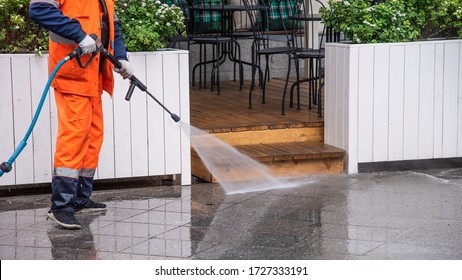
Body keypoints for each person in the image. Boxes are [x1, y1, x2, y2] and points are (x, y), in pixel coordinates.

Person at [29, 0, 133, 229]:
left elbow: (111, 25)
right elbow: (38, 9)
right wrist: (79, 35)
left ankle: (79, 198)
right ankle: (61, 206)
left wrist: (122, 56)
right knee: (74, 137)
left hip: (93, 75)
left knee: (93, 137)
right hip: (72, 75)